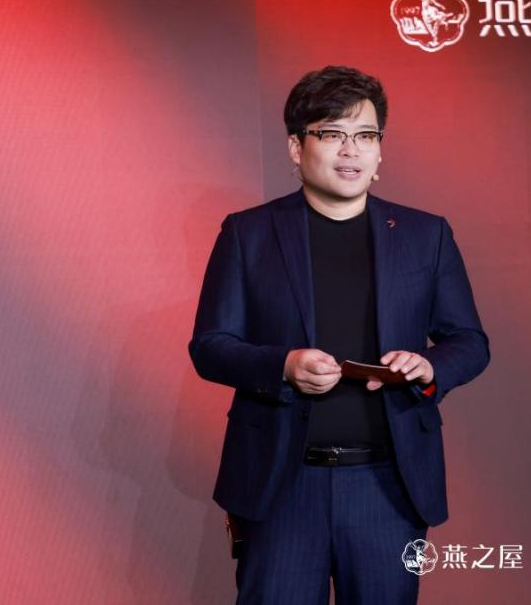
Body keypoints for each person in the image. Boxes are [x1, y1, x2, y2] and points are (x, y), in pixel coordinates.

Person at [189, 65, 490, 604]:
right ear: (296, 147)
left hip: (388, 484)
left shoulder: (426, 234)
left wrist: (429, 367)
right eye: (332, 133)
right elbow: (210, 347)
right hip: (281, 483)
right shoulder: (248, 233)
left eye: (366, 136)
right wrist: (283, 366)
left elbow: (469, 341)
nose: (351, 150)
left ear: (379, 151)